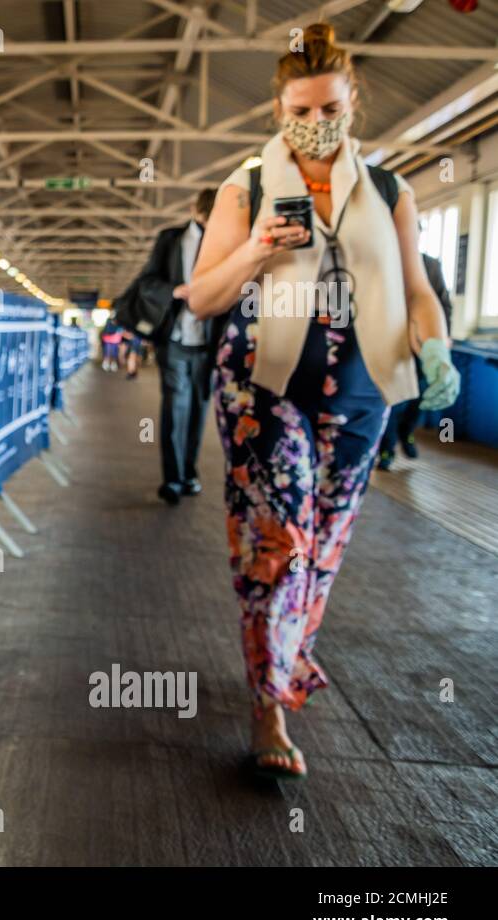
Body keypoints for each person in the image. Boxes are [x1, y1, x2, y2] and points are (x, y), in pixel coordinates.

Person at [185, 23, 460, 781]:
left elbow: (416, 292)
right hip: (264, 386)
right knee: (283, 542)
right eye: (299, 109)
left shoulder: (391, 191)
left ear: (353, 100)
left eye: (329, 105)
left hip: (361, 389)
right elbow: (202, 296)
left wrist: (432, 343)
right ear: (278, 108)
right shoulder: (246, 186)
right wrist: (255, 248)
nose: (316, 122)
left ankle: (281, 652)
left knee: (326, 548)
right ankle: (268, 700)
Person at [132, 188, 220, 504]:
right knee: (174, 406)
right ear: (197, 211)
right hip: (175, 339)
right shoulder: (170, 239)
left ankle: (188, 474)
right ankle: (171, 478)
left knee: (199, 407)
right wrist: (175, 290)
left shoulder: (226, 242)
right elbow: (147, 284)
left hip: (208, 343)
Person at [378, 252, 453, 469]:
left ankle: (407, 431)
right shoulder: (384, 260)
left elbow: (443, 303)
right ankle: (386, 450)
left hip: (422, 345)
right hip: (389, 344)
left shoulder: (430, 265)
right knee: (390, 398)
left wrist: (442, 339)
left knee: (419, 395)